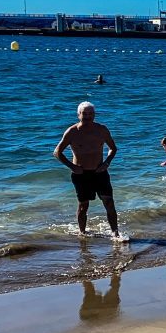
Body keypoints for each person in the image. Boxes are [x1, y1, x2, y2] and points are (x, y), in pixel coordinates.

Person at [54, 101, 121, 239]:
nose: (88, 116)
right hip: (81, 174)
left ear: (94, 115)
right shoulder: (72, 132)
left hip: (100, 172)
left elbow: (113, 148)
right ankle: (82, 234)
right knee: (83, 206)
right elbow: (57, 152)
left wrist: (107, 162)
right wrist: (72, 167)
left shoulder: (102, 129)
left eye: (90, 114)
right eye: (84, 113)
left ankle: (116, 234)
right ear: (79, 115)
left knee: (109, 202)